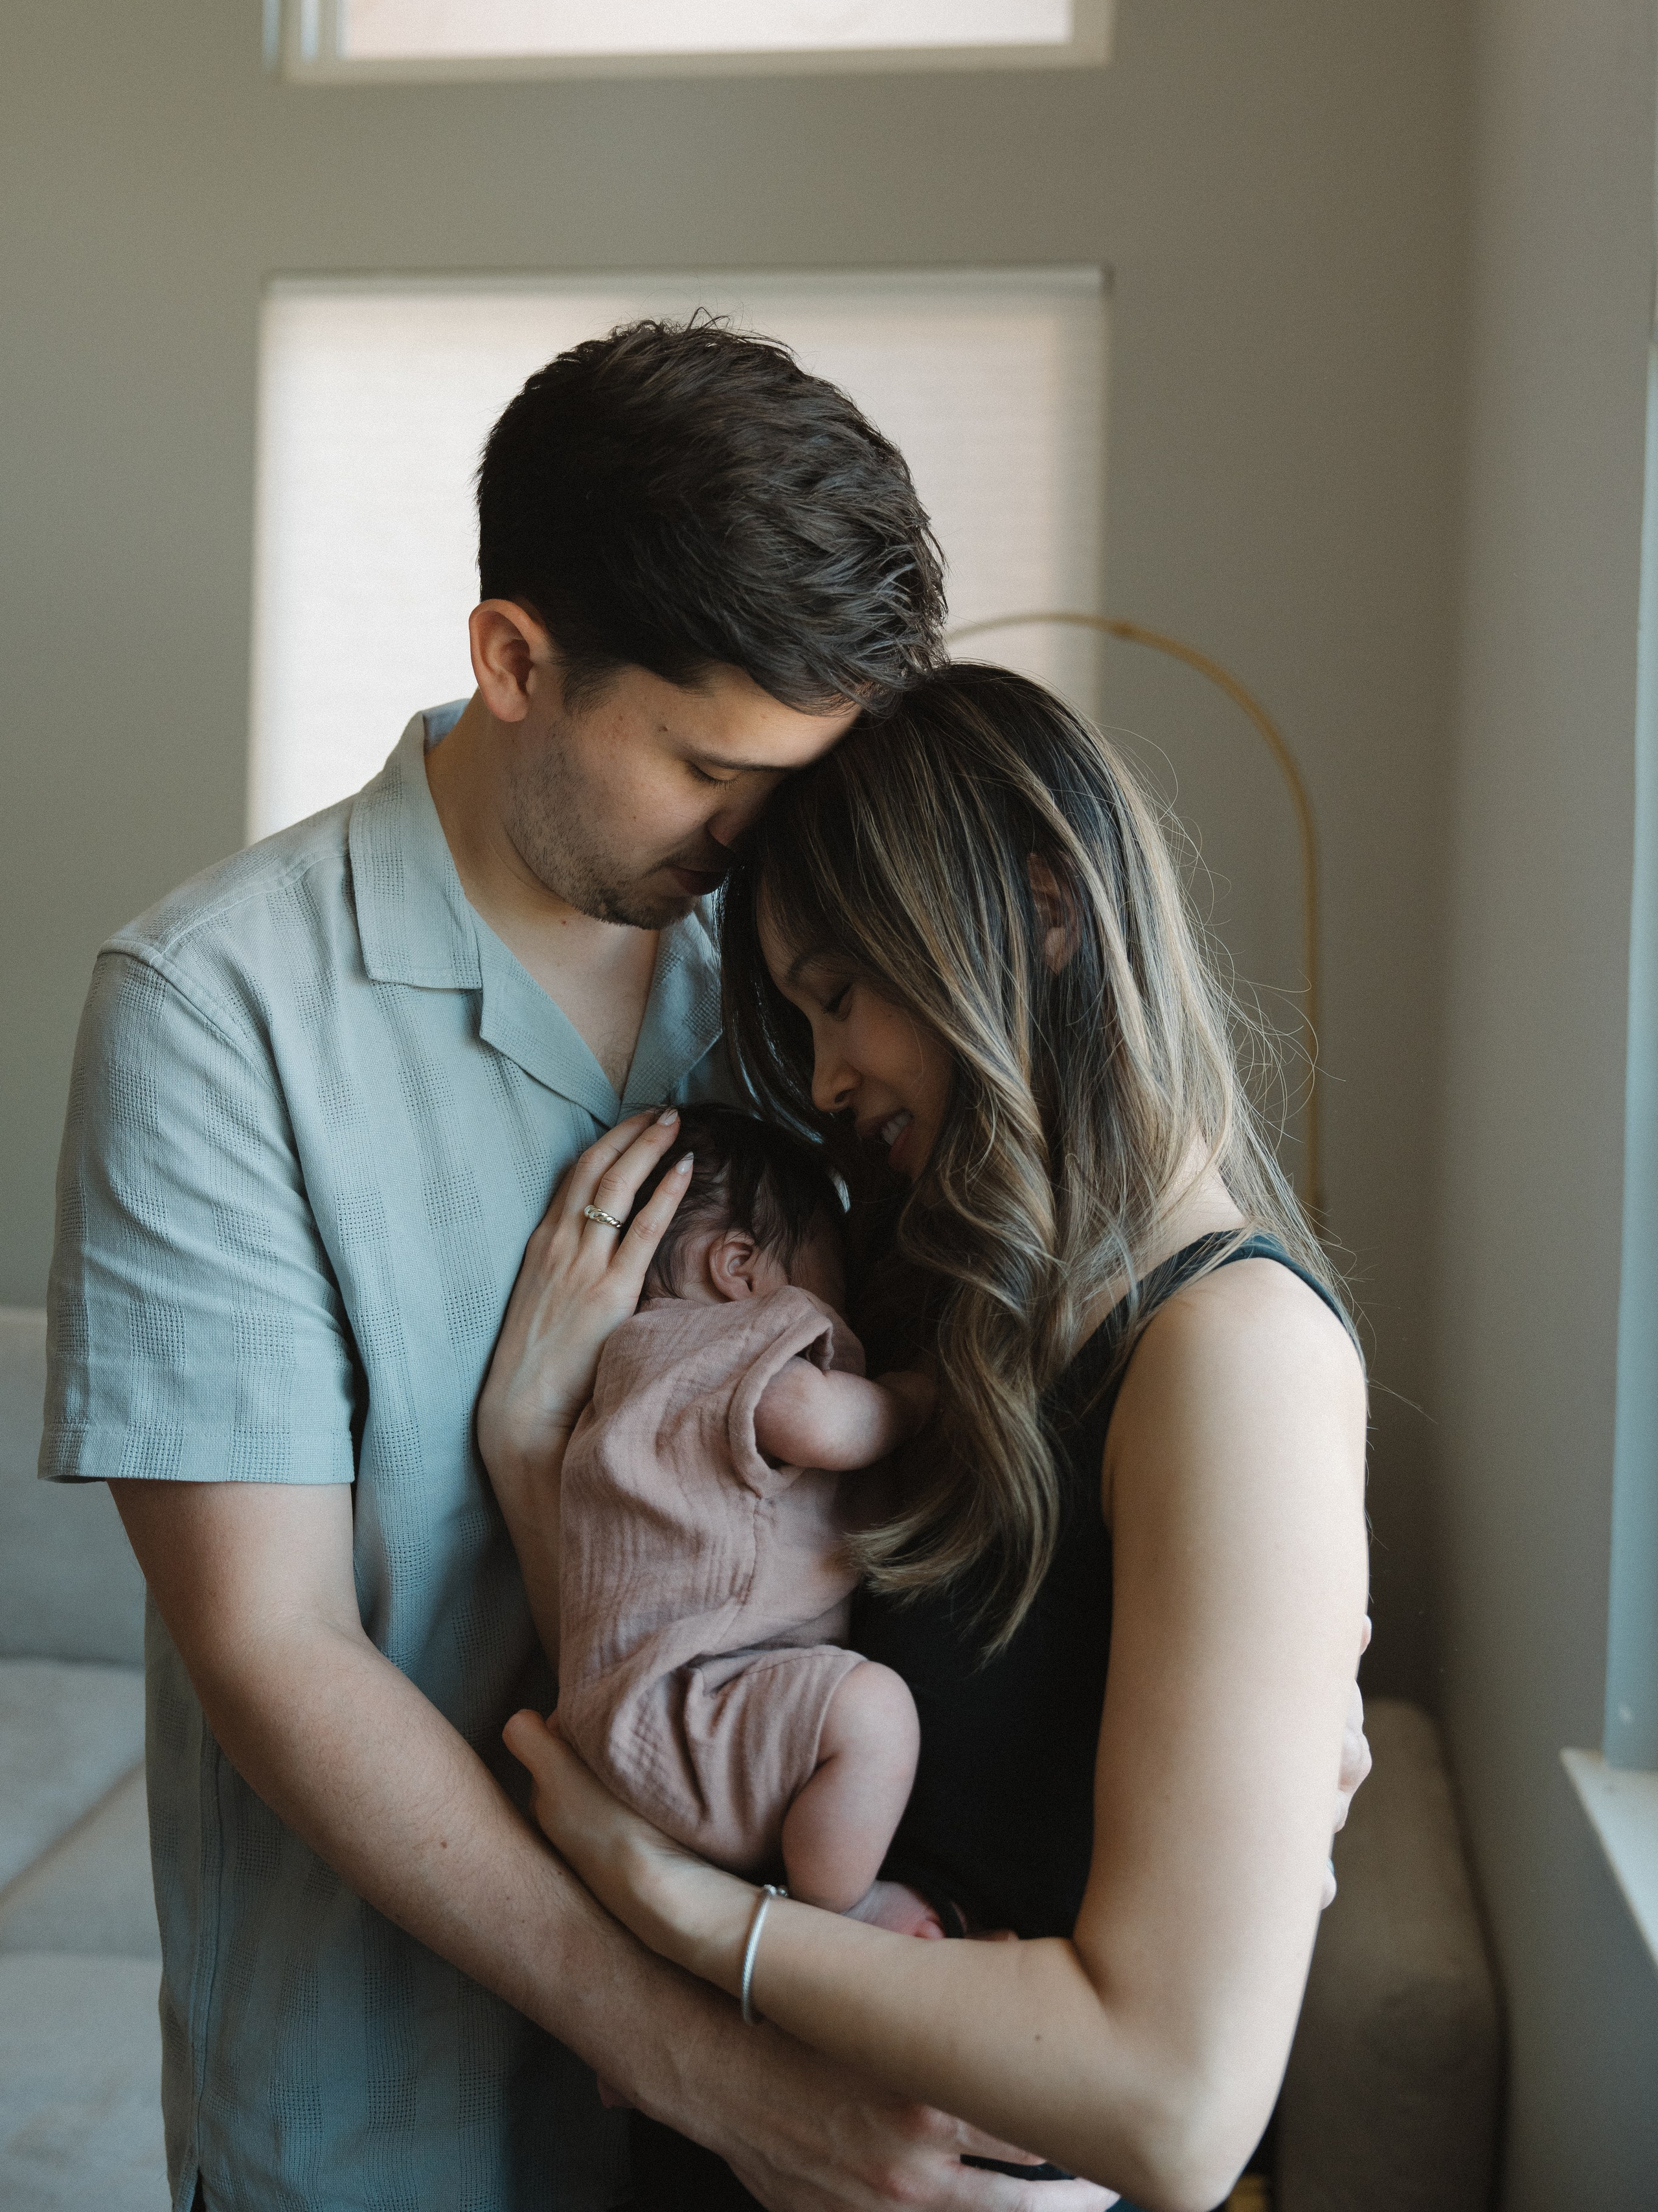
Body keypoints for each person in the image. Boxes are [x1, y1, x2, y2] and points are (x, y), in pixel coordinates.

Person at [45, 317, 1148, 2212]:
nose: (758, 838)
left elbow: (1027, 1376)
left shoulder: (803, 975)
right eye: (712, 766)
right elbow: (272, 1644)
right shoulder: (216, 1016)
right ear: (514, 660)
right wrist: (707, 2074)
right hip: (388, 2119)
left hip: (813, 2056)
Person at [479, 665, 1372, 2211]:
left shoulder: (1234, 1355)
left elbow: (1174, 2107)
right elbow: (690, 1701)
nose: (823, 1079)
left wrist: (692, 1918)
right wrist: (528, 1445)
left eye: (839, 994)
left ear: (1039, 906)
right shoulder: (940, 1311)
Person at [556, 1104, 935, 1917]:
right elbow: (814, 1419)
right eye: (831, 1280)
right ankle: (839, 1910)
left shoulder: (625, 1367)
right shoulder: (733, 1337)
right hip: (696, 1700)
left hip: (632, 1713)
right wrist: (911, 1400)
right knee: (874, 1716)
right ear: (741, 1267)